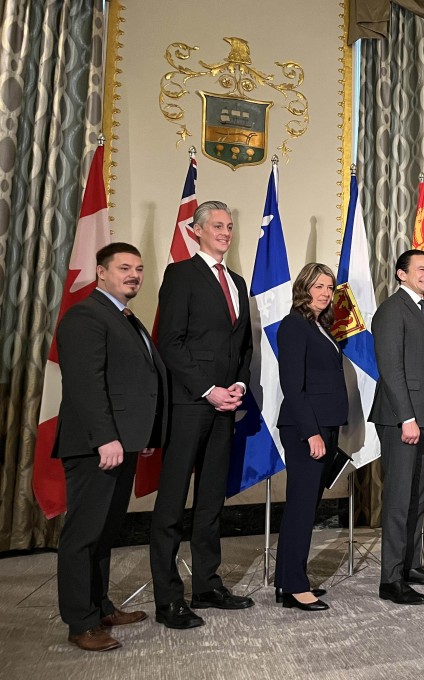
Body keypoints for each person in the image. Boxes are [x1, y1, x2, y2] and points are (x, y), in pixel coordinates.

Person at [54, 242, 167, 651]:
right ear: (101, 272)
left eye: (138, 268)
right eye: (124, 268)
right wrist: (105, 438)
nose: (134, 274)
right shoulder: (86, 315)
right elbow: (86, 386)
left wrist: (144, 435)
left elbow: (136, 382)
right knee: (83, 535)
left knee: (103, 534)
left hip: (122, 442)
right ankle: (80, 622)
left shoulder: (123, 317)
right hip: (95, 445)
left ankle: (99, 606)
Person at [150, 200, 254, 629]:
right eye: (216, 225)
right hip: (189, 406)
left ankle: (207, 585)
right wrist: (208, 389)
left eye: (229, 226)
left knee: (211, 501)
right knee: (172, 505)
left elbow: (243, 345)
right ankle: (168, 599)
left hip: (225, 407)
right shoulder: (181, 275)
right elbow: (169, 342)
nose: (225, 232)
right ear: (195, 231)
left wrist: (239, 386)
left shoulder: (238, 281)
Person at [370, 250, 424, 606]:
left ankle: (411, 566)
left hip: (423, 417)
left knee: (417, 496)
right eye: (421, 269)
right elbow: (391, 369)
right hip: (401, 419)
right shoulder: (391, 311)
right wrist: (407, 417)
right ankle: (391, 579)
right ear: (401, 274)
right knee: (399, 499)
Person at [274, 263, 349, 611]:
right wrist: (312, 434)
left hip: (324, 427)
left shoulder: (318, 327)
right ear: (304, 288)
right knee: (302, 509)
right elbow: (293, 385)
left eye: (328, 287)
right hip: (306, 430)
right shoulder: (293, 326)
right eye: (317, 286)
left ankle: (287, 580)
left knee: (306, 507)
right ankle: (293, 586)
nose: (323, 293)